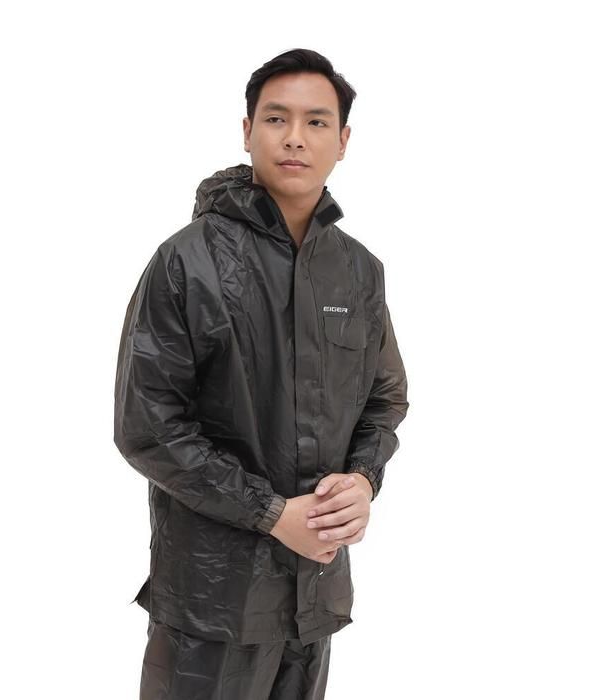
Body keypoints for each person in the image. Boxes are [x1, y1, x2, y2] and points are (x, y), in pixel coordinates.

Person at [113, 47, 409, 700]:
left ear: (343, 140)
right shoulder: (187, 262)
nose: (295, 137)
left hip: (314, 592)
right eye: (276, 119)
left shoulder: (359, 271)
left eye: (316, 121)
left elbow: (384, 398)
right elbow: (147, 427)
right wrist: (272, 513)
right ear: (248, 131)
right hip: (211, 601)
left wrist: (363, 480)